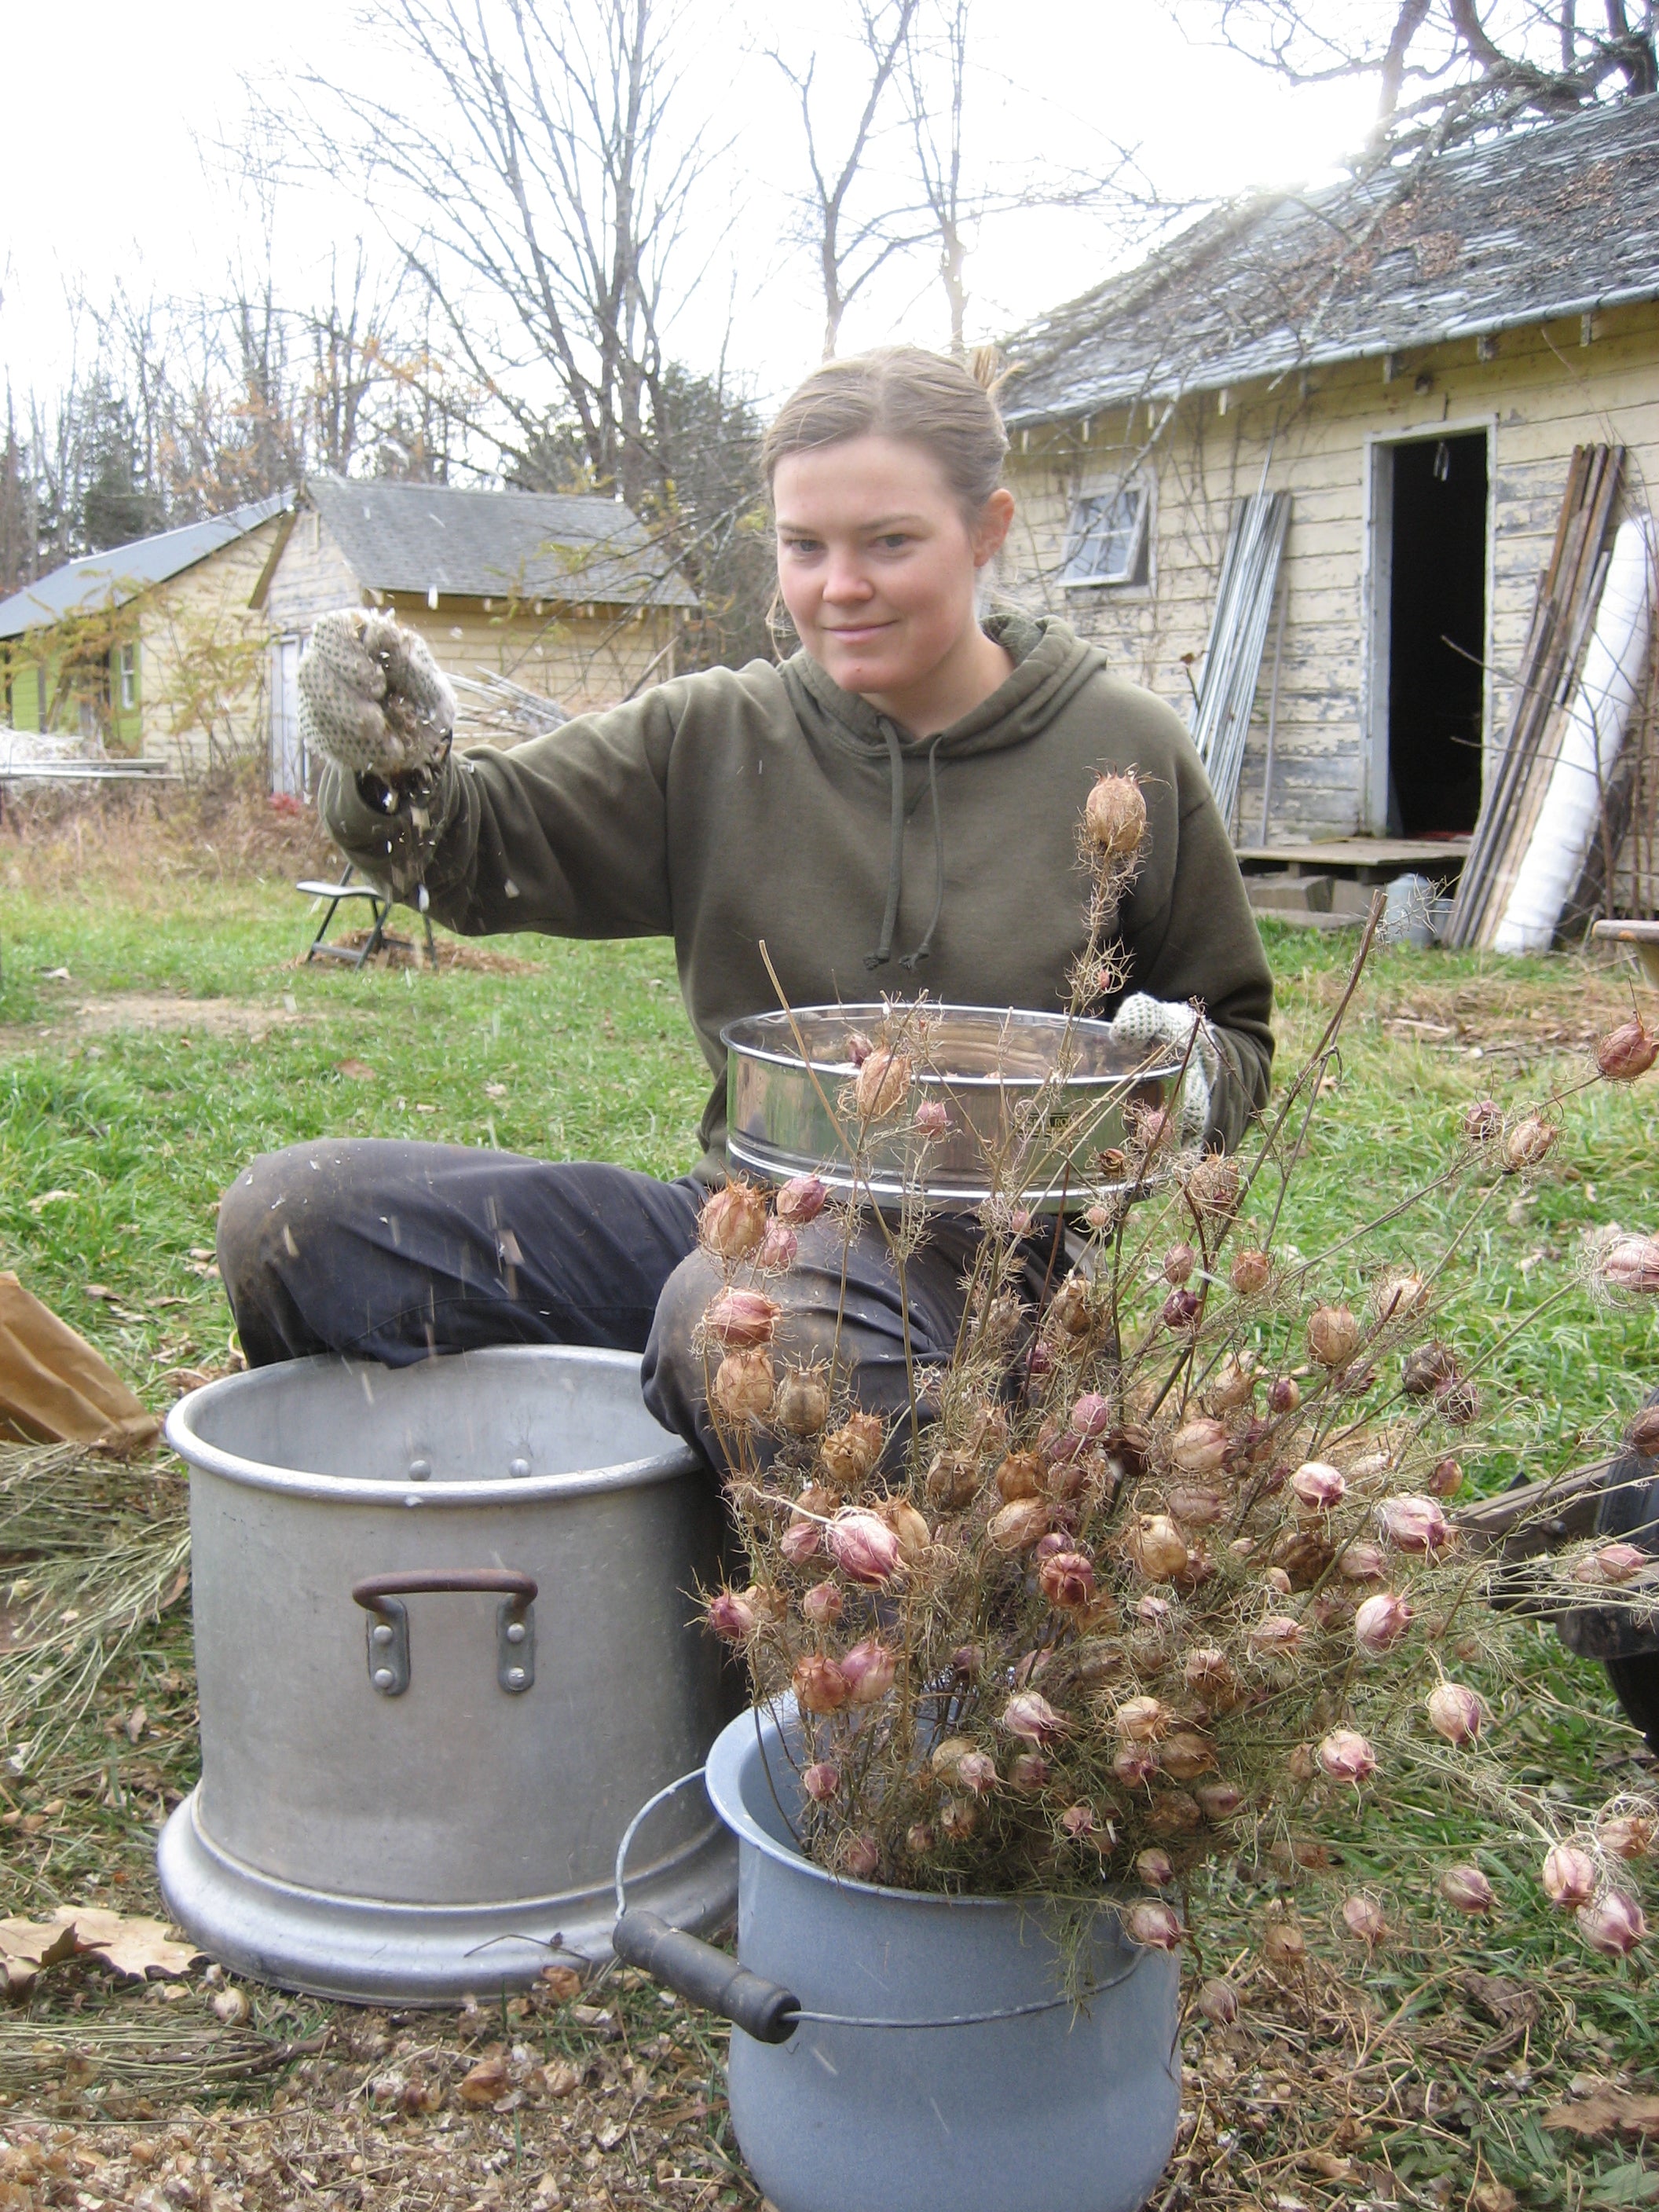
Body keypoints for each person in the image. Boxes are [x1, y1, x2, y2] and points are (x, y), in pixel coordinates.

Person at [217, 347, 1275, 1467]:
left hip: (991, 1283)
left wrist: (1189, 1075)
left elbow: (1236, 1030)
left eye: (889, 542)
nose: (837, 586)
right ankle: (461, 1530)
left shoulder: (1122, 752)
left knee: (725, 1327)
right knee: (300, 1221)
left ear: (989, 527)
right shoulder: (712, 737)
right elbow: (475, 845)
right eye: (802, 545)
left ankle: (921, 1618)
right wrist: (394, 764)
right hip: (740, 1215)